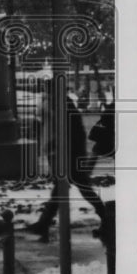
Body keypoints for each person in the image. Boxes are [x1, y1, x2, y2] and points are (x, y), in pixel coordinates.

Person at [26, 80, 108, 243]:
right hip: (66, 153)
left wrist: (63, 151)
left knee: (72, 188)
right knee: (66, 188)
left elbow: (72, 134)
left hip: (69, 155)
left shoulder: (64, 107)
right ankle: (44, 224)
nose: (46, 94)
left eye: (48, 91)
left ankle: (108, 219)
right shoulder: (58, 105)